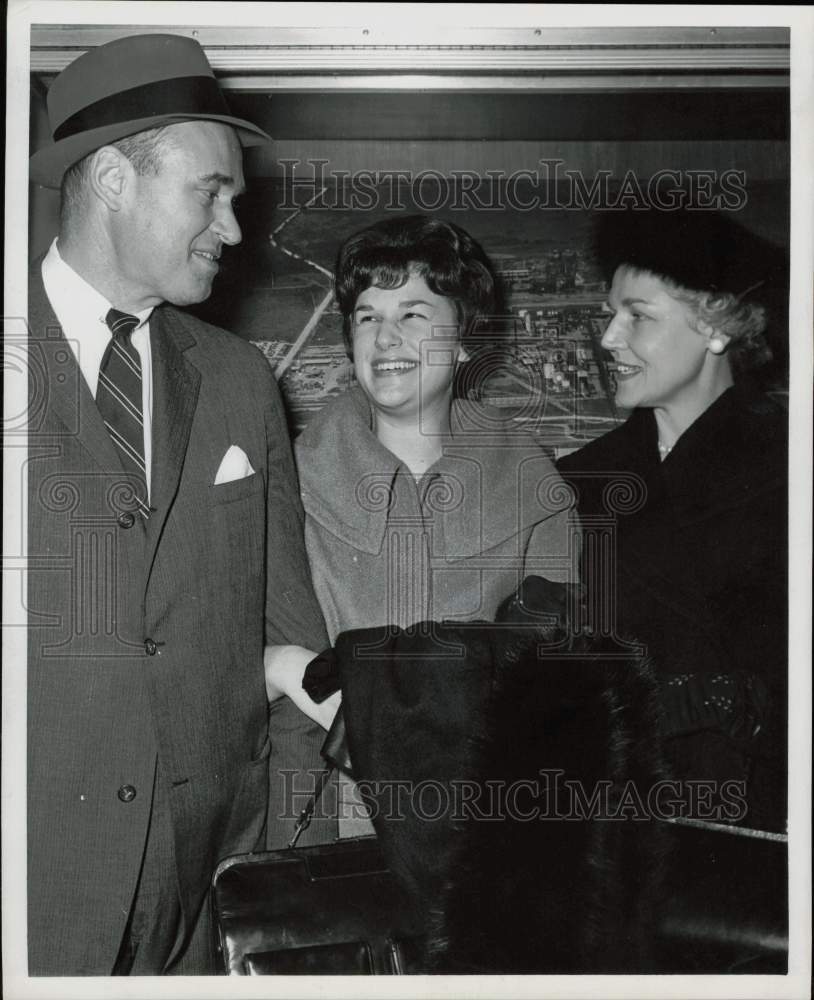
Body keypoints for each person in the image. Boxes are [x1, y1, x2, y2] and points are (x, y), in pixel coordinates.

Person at [26, 34, 329, 975]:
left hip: (204, 905)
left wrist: (261, 855)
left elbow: (290, 629)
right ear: (114, 178)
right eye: (212, 192)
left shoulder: (238, 381)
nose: (234, 229)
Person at [266, 215, 577, 837]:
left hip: (485, 826)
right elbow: (210, 651)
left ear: (463, 338)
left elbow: (561, 678)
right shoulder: (280, 483)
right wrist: (279, 666)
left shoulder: (535, 488)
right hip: (315, 815)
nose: (385, 339)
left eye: (412, 315)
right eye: (366, 317)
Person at [557, 209, 787, 832]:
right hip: (621, 829)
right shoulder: (579, 481)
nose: (608, 337)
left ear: (716, 325)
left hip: (768, 830)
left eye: (639, 316)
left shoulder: (795, 469)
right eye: (612, 313)